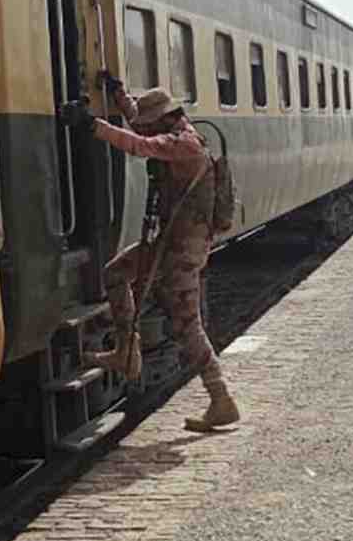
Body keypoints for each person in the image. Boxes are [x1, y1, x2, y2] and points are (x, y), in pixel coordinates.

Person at [59, 75, 240, 433]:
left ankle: (221, 398)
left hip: (184, 249)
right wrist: (119, 96)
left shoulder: (186, 145)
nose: (145, 123)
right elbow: (142, 126)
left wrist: (92, 125)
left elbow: (142, 145)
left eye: (150, 120)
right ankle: (127, 351)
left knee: (186, 322)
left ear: (166, 119)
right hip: (170, 241)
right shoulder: (176, 132)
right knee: (116, 274)